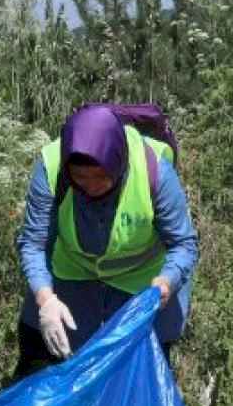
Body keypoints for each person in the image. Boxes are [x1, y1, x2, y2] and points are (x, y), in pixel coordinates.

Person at [10, 104, 199, 380]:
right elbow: (34, 242)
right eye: (80, 176)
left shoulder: (154, 171)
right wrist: (45, 298)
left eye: (101, 176)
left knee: (138, 371)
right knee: (59, 359)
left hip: (144, 283)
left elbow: (184, 244)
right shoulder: (52, 167)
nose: (91, 185)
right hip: (74, 273)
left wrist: (166, 283)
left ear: (118, 161)